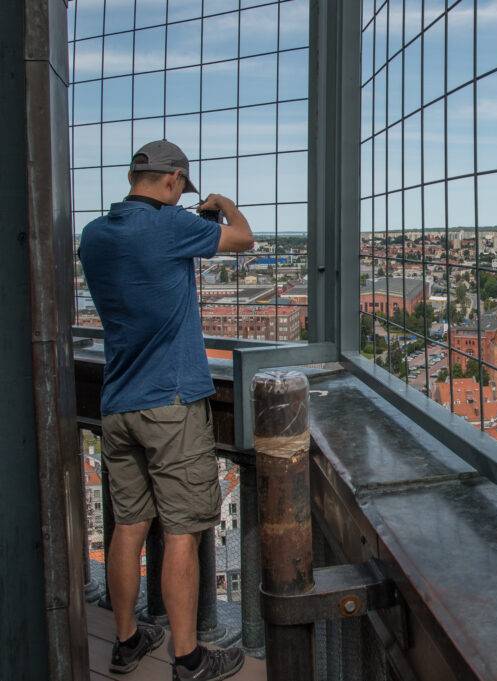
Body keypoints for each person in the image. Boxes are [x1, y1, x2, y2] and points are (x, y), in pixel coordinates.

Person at [78, 140, 254, 680]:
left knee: (128, 525)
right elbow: (244, 239)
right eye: (184, 184)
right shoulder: (172, 228)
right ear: (174, 179)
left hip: (117, 401)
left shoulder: (94, 235)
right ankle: (188, 657)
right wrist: (221, 203)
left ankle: (127, 640)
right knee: (182, 531)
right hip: (171, 403)